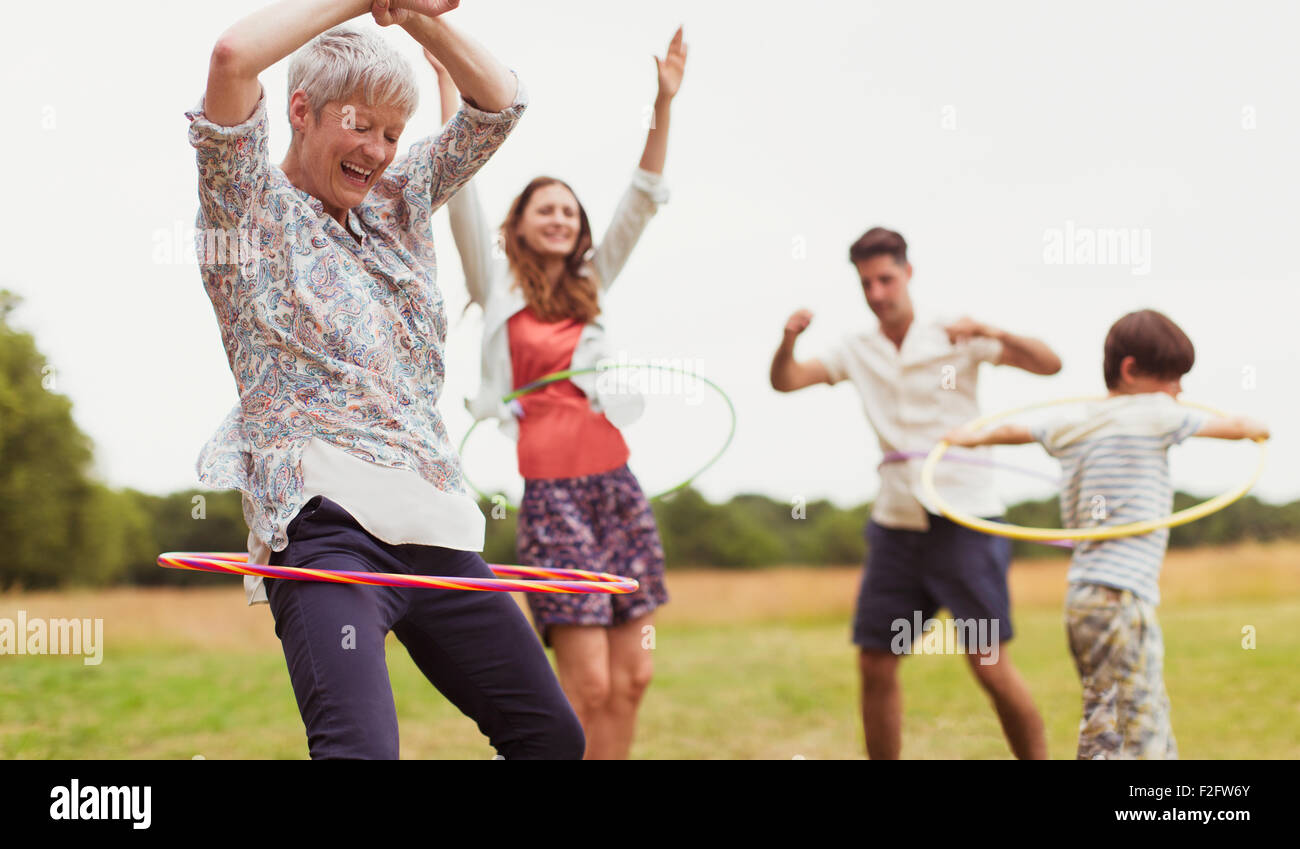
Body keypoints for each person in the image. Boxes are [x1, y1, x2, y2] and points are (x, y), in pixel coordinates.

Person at [187, 0, 583, 759]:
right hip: (329, 528)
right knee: (360, 751)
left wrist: (413, 14)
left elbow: (500, 103)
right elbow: (232, 58)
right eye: (359, 124)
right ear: (300, 111)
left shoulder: (398, 200)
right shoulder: (244, 209)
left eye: (393, 134)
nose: (378, 149)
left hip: (433, 522)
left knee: (552, 736)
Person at [433, 28, 687, 759]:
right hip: (554, 497)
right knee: (590, 686)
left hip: (617, 487)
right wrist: (449, 82)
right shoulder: (496, 285)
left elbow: (641, 200)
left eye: (570, 211)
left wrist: (663, 104)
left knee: (633, 677)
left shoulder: (592, 286)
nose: (560, 217)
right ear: (519, 222)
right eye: (545, 207)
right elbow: (458, 192)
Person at [769, 226, 1058, 759]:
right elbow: (785, 381)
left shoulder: (956, 335)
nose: (877, 293)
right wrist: (788, 339)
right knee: (874, 661)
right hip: (896, 524)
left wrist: (991, 330)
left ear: (908, 273)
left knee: (990, 665)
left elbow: (1048, 364)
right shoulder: (857, 350)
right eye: (866, 284)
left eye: (885, 279)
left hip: (965, 519)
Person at [945, 309, 1269, 759]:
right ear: (1131, 370)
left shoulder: (1074, 421)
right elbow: (1233, 429)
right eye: (1173, 378)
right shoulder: (1154, 411)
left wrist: (968, 438)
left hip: (1083, 598)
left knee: (1106, 720)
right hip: (1121, 596)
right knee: (1141, 720)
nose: (1180, 391)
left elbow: (1013, 430)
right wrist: (1256, 429)